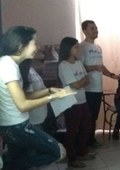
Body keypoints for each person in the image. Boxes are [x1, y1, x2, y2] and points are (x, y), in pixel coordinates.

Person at [0, 26, 72, 170]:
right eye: (34, 43)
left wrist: (49, 90)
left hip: (14, 125)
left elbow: (24, 95)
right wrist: (52, 97)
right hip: (16, 126)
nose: (38, 47)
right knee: (58, 151)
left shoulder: (11, 64)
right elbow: (23, 105)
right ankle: (8, 166)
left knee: (19, 158)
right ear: (21, 45)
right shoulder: (7, 66)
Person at [79, 20, 120, 147]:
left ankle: (91, 141)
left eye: (96, 28)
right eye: (92, 28)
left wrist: (113, 76)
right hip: (87, 89)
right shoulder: (82, 47)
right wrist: (94, 68)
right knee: (87, 117)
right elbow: (79, 68)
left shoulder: (98, 48)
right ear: (85, 31)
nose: (96, 30)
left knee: (94, 117)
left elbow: (101, 67)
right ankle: (85, 143)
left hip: (98, 88)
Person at [58, 37, 96, 168]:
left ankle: (82, 152)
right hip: (72, 103)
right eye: (76, 47)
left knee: (86, 127)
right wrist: (82, 81)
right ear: (68, 49)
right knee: (72, 131)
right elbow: (76, 85)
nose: (78, 49)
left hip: (82, 100)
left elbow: (87, 80)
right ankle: (72, 158)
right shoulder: (64, 65)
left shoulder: (78, 62)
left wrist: (81, 81)